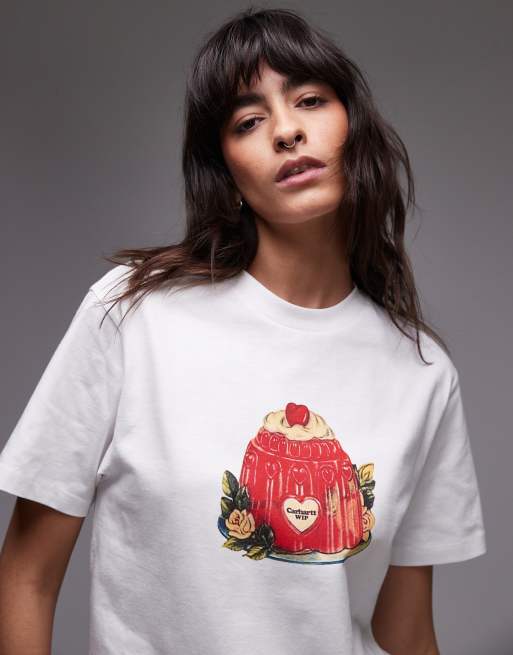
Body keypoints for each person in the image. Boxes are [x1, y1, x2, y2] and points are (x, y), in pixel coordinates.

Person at [0, 7, 486, 655]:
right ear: (226, 172)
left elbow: (405, 632)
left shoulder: (421, 373)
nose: (286, 131)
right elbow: (26, 577)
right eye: (248, 121)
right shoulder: (132, 314)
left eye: (309, 101)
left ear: (355, 130)